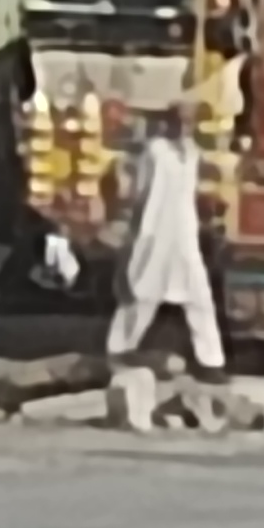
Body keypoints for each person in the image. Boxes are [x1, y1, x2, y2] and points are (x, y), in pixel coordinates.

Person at [105, 98, 228, 424]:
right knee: (142, 294)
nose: (185, 127)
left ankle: (211, 361)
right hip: (154, 232)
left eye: (189, 121)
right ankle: (119, 348)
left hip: (183, 235)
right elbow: (141, 194)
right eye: (181, 120)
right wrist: (132, 230)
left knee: (200, 299)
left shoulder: (190, 153)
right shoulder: (155, 152)